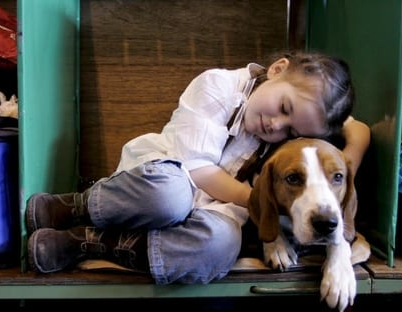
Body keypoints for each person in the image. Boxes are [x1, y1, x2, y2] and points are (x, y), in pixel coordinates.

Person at [24, 51, 371, 285]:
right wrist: (256, 199)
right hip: (169, 179)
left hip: (215, 211)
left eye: (292, 130)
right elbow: (199, 170)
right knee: (169, 196)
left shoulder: (301, 114)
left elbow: (358, 127)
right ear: (277, 70)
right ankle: (76, 205)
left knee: (219, 247)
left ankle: (87, 242)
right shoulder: (219, 85)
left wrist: (347, 160)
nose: (276, 126)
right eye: (283, 107)